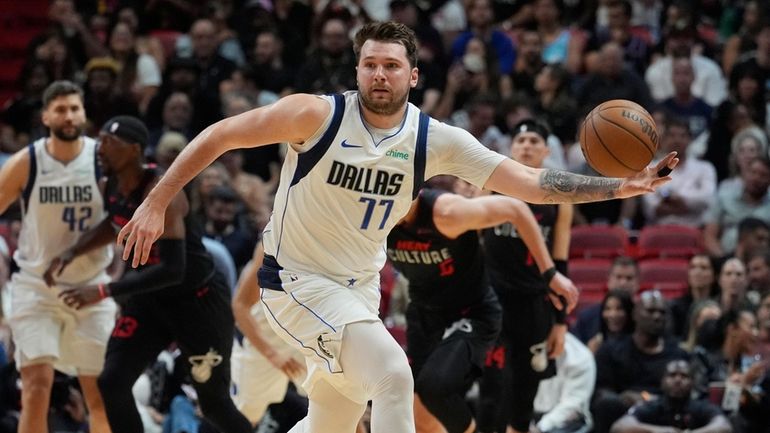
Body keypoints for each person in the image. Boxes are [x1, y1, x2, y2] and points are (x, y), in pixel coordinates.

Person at [115, 21, 677, 433]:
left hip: (357, 288)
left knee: (331, 420)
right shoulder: (317, 115)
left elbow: (527, 184)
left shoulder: (434, 140)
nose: (378, 74)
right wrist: (156, 202)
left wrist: (620, 187)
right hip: (295, 282)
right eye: (369, 64)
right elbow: (221, 135)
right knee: (392, 376)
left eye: (390, 65)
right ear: (357, 69)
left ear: (413, 73)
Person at [42, 115, 253, 433]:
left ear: (134, 150)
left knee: (214, 404)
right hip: (150, 302)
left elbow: (172, 269)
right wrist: (74, 250)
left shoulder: (163, 193)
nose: (99, 149)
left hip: (197, 303)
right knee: (112, 381)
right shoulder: (110, 184)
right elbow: (116, 222)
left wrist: (103, 291)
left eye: (108, 142)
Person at [388, 177, 579, 433]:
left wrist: (550, 274)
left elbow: (516, 210)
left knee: (435, 388)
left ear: (414, 193)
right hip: (424, 312)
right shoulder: (374, 220)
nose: (386, 207)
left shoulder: (446, 212)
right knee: (419, 416)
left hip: (472, 313)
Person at [0, 80, 115, 433]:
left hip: (91, 289)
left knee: (100, 394)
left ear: (84, 113)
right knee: (36, 388)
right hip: (37, 288)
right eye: (61, 109)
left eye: (75, 108)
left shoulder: (104, 158)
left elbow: (122, 219)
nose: (69, 116)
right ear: (46, 116)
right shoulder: (27, 162)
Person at [478, 119, 575, 433]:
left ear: (546, 150)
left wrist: (560, 323)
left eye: (535, 141)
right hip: (494, 301)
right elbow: (470, 240)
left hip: (535, 304)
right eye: (521, 141)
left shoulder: (559, 197)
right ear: (511, 148)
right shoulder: (492, 183)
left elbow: (560, 261)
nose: (527, 146)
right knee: (494, 387)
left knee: (525, 392)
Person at [231, 241, 308, 428]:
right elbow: (239, 307)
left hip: (304, 333)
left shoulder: (330, 238)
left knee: (341, 397)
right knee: (244, 419)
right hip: (262, 340)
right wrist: (272, 354)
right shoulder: (272, 242)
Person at [610, 359, 732, 433]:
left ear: (692, 383)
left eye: (684, 376)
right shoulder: (652, 406)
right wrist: (657, 431)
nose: (678, 380)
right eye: (672, 375)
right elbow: (619, 427)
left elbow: (724, 426)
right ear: (662, 382)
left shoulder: (702, 407)